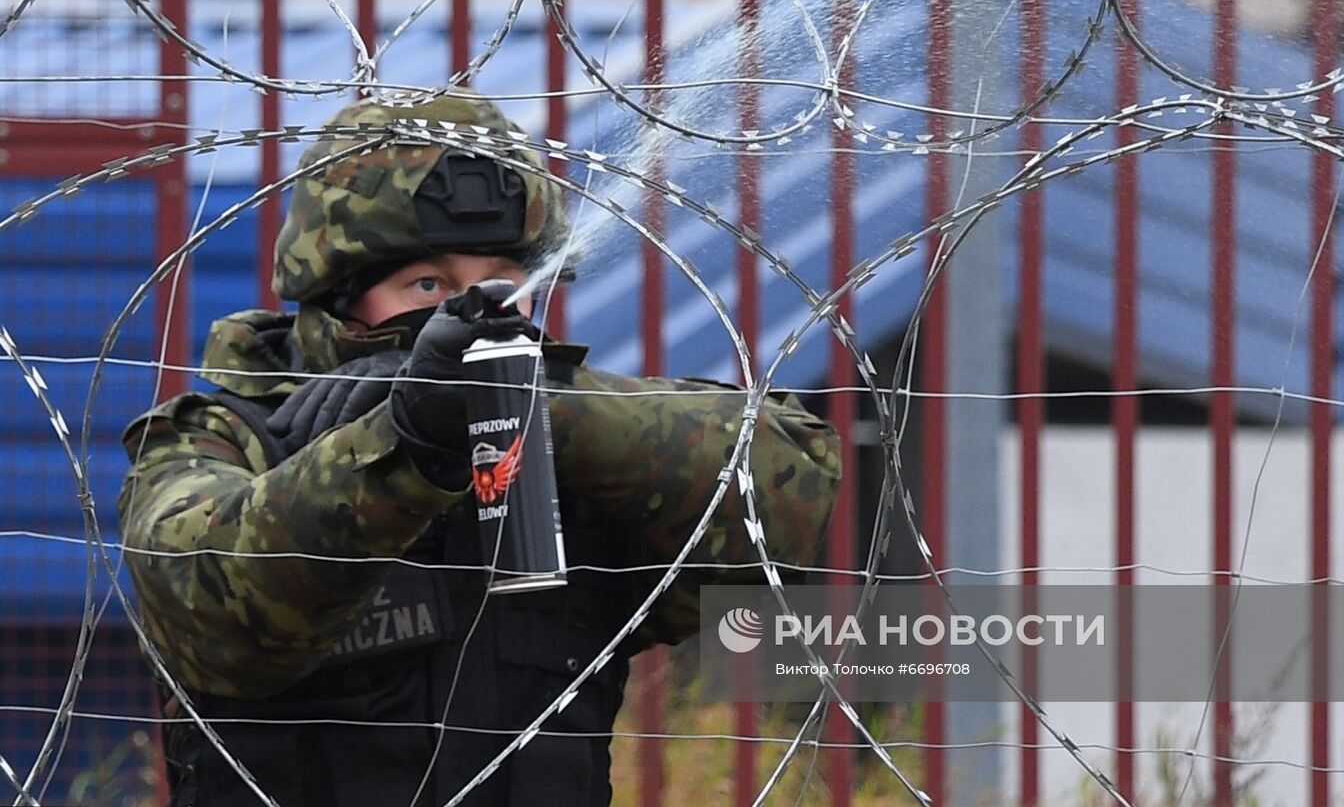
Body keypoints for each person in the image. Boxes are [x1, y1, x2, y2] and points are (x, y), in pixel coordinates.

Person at [118, 93, 842, 807]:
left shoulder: (570, 436)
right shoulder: (227, 438)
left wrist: (540, 411)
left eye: (503, 284)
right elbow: (212, 614)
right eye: (428, 284)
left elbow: (784, 496)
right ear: (337, 300)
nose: (474, 314)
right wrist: (404, 444)